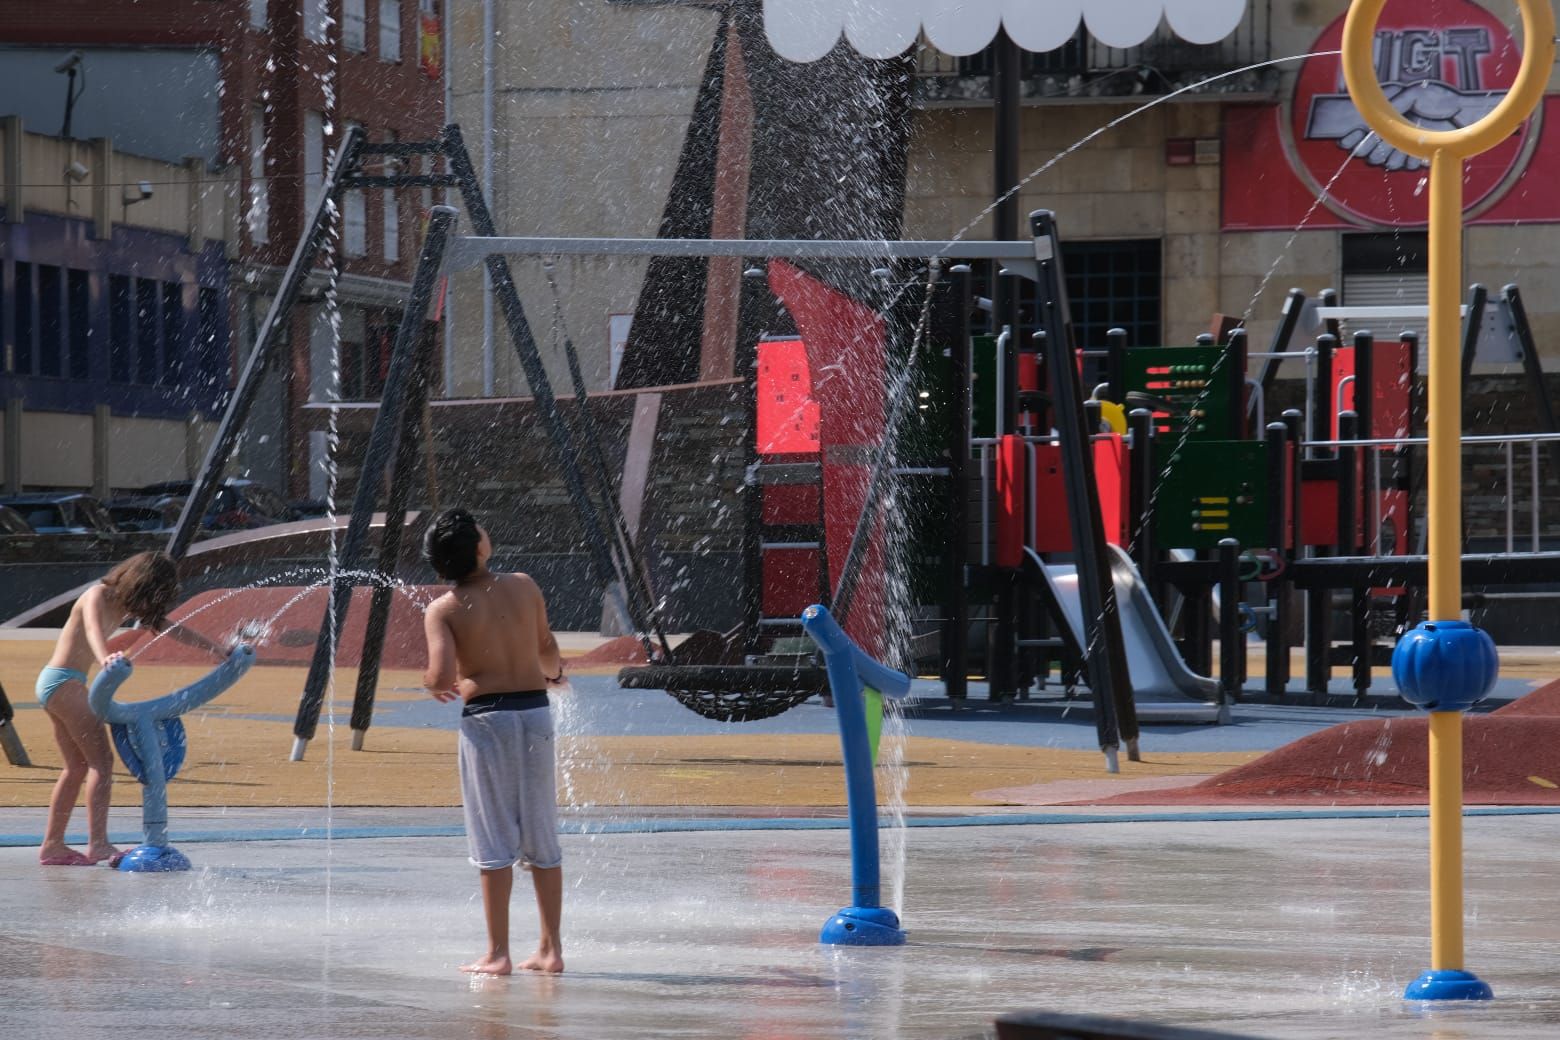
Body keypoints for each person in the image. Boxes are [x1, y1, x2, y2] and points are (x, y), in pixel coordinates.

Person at [421, 508, 565, 975]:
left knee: (493, 835)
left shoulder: (444, 609)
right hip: (535, 713)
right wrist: (555, 674)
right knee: (541, 832)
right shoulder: (524, 585)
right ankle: (550, 949)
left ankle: (498, 953)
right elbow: (546, 648)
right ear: (480, 548)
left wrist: (435, 683)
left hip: (488, 722)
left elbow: (441, 675)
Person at [35, 550, 225, 866]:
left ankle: (52, 845)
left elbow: (170, 627)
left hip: (62, 683)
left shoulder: (123, 605)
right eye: (150, 592)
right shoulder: (97, 594)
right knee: (102, 763)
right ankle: (98, 844)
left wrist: (215, 648)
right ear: (139, 582)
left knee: (77, 768)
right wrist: (104, 658)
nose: (149, 601)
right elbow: (94, 630)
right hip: (63, 681)